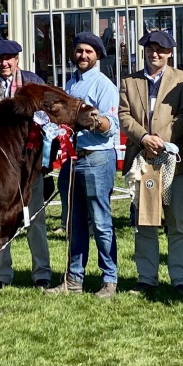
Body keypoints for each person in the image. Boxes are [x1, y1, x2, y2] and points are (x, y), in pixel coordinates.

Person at [0, 39, 52, 290]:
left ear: (17, 59)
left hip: (29, 163)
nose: (4, 63)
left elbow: (49, 120)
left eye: (9, 58)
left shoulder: (33, 83)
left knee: (35, 218)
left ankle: (42, 273)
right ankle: (1, 273)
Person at [45, 32, 120, 299]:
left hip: (96, 158)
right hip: (71, 160)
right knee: (73, 222)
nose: (83, 56)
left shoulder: (104, 86)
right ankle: (73, 279)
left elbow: (112, 127)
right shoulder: (70, 84)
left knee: (101, 223)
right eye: (79, 50)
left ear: (98, 55)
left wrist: (96, 122)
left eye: (89, 51)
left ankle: (109, 279)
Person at [119, 31, 183, 296]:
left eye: (161, 49)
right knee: (145, 222)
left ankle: (181, 279)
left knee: (177, 224)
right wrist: (144, 137)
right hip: (142, 160)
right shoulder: (130, 81)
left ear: (170, 52)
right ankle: (146, 278)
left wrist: (161, 140)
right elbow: (124, 115)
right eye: (151, 48)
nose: (155, 54)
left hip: (174, 160)